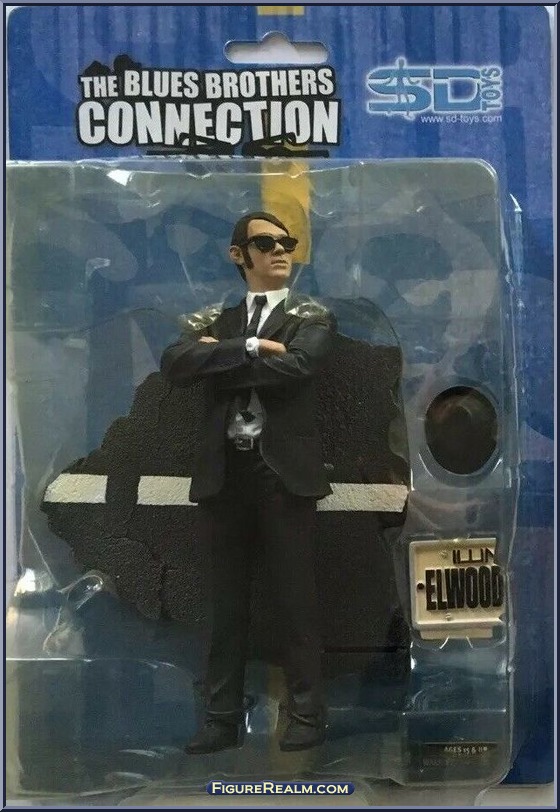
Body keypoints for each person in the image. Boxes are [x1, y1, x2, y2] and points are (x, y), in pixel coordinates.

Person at [160, 211, 336, 753]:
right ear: (239, 255)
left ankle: (306, 714)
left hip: (283, 477)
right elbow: (175, 363)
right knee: (223, 606)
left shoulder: (311, 316)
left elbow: (299, 368)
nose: (280, 251)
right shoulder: (217, 316)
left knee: (295, 600)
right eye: (266, 243)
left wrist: (216, 357)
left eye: (287, 242)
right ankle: (221, 718)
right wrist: (252, 348)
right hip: (225, 474)